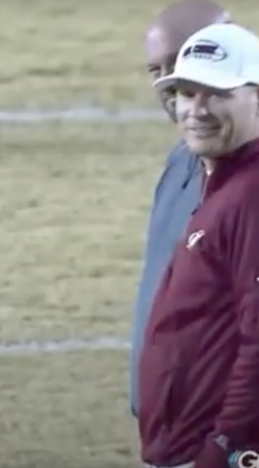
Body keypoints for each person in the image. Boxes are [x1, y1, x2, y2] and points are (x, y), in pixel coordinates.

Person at [139, 22, 259, 468]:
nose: (197, 109)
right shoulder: (221, 181)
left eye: (217, 93)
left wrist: (225, 448)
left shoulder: (251, 195)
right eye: (188, 93)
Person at [129, 0, 230, 418]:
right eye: (158, 71)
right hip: (169, 424)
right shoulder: (180, 163)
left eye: (185, 62)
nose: (171, 84)